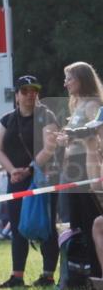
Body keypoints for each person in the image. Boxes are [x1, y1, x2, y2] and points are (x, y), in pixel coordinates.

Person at [0, 75, 61, 288]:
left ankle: (48, 275)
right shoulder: (7, 119)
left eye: (34, 90)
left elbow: (49, 147)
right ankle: (17, 276)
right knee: (17, 227)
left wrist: (30, 168)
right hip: (15, 180)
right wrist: (13, 170)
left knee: (46, 226)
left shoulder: (46, 116)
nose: (30, 95)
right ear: (17, 95)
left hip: (43, 179)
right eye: (25, 91)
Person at [55, 61, 103, 277]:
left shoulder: (93, 104)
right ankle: (85, 273)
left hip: (87, 168)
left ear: (82, 79)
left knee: (90, 220)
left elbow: (96, 137)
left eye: (69, 78)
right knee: (79, 224)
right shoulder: (76, 105)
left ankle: (96, 273)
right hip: (75, 168)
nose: (65, 83)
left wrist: (73, 139)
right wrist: (65, 140)